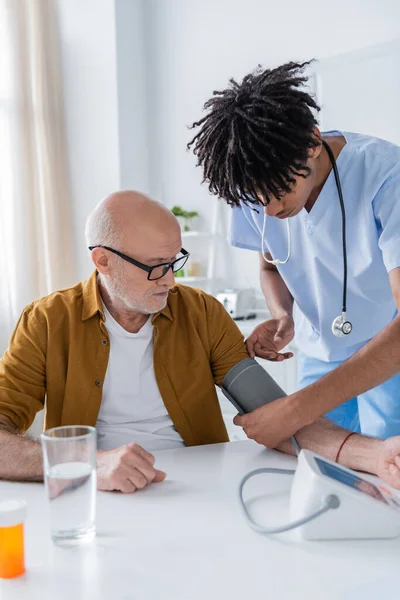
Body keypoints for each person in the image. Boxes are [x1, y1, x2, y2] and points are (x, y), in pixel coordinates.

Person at [1, 191, 400, 494]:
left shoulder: (201, 312)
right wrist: (89, 463)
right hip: (94, 498)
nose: (171, 281)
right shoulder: (47, 322)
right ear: (103, 261)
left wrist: (376, 456)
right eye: (156, 268)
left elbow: (277, 414)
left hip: (198, 490)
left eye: (174, 262)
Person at [188, 60, 400, 449]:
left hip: (390, 349)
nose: (268, 209)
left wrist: (296, 408)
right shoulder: (252, 177)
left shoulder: (387, 178)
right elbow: (270, 265)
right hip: (320, 350)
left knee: (389, 469)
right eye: (256, 198)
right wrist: (282, 314)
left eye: (278, 189)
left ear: (313, 143)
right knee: (317, 462)